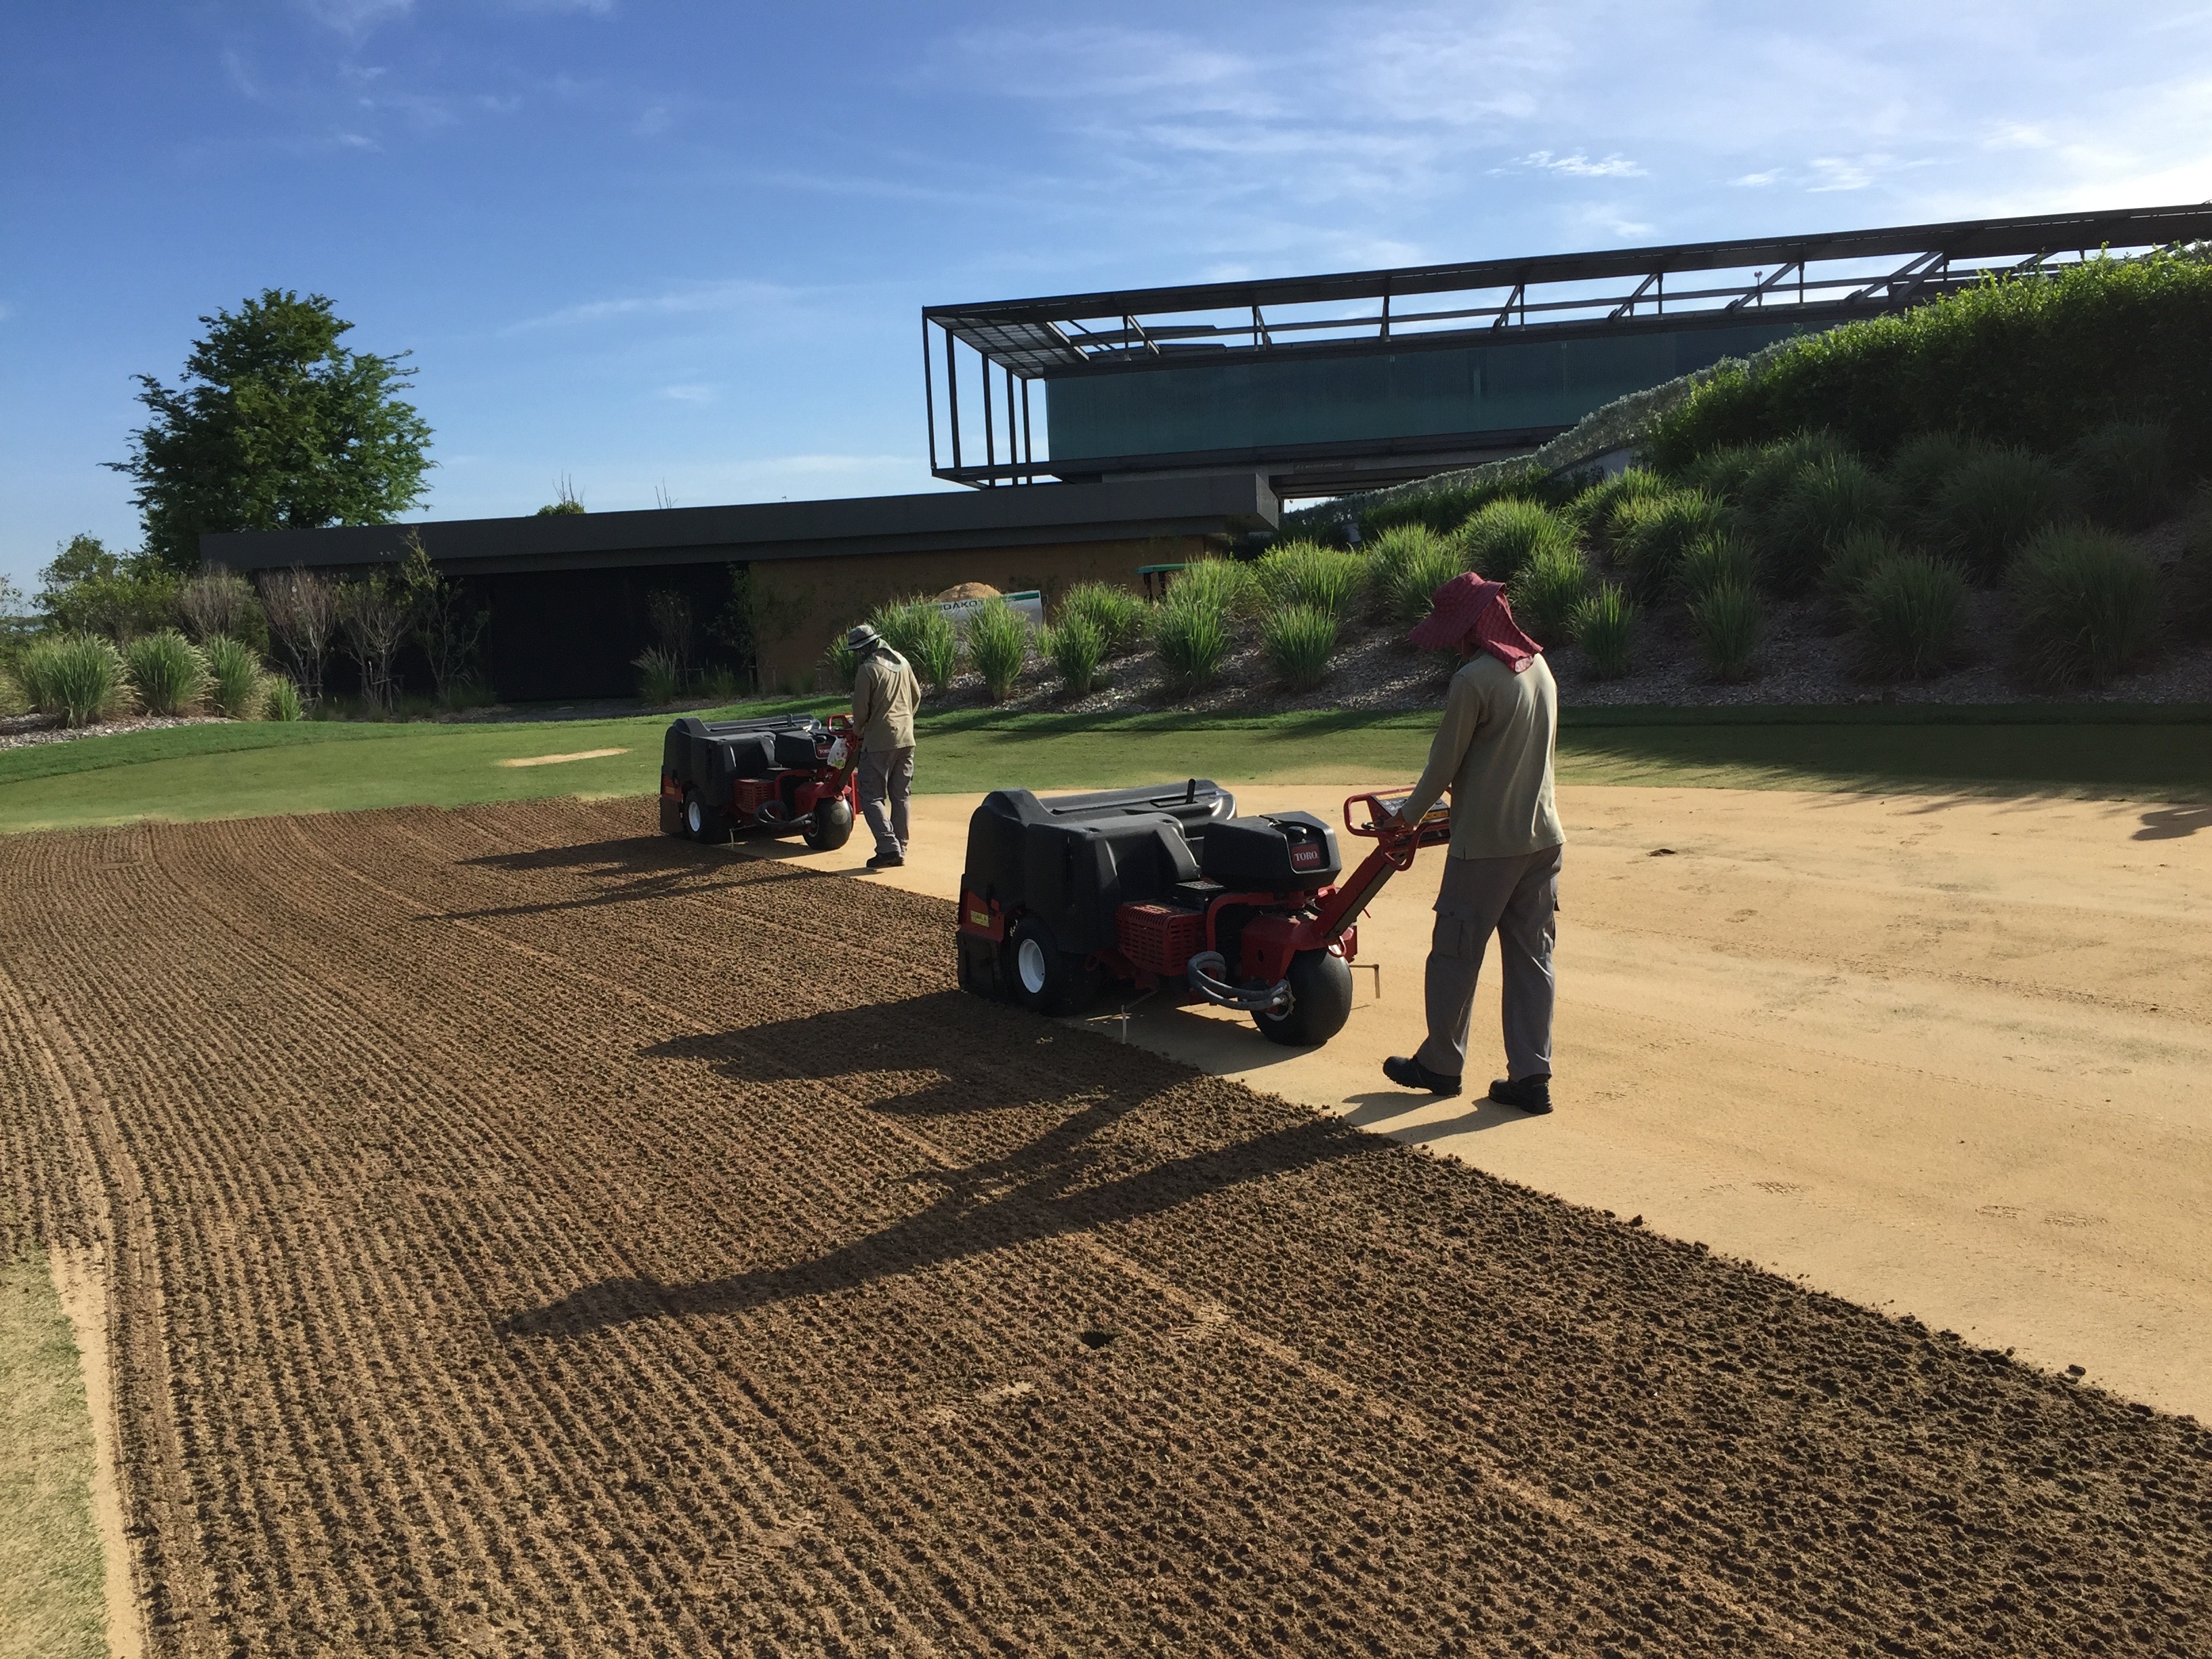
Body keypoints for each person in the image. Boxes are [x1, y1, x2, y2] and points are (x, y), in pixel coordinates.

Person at [1381, 571, 1565, 1114]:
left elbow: (1444, 764)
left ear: (1473, 627)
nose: (1454, 643)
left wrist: (1405, 820)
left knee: (1454, 956)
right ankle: (1532, 1076)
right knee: (1533, 959)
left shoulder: (1474, 680)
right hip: (1544, 840)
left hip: (1485, 846)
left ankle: (1441, 1063)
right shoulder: (1541, 669)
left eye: (1456, 631)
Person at [846, 622, 920, 872]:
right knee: (901, 796)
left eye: (858, 650)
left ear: (866, 648)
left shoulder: (867, 670)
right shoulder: (903, 661)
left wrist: (858, 730)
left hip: (879, 742)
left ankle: (888, 847)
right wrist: (905, 720)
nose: (858, 654)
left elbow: (860, 711)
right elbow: (917, 696)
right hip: (907, 738)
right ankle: (901, 846)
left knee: (871, 795)